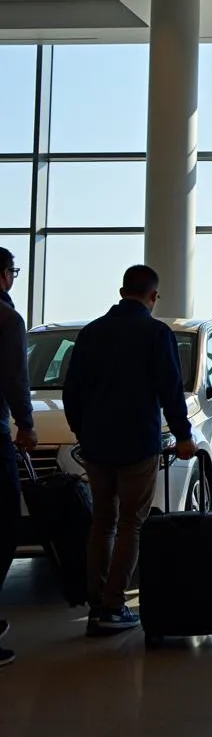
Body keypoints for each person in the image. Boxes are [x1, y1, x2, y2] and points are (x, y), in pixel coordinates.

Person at [63, 265, 197, 635]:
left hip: (95, 443)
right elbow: (170, 390)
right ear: (153, 296)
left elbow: (71, 391)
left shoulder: (90, 333)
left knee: (101, 520)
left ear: (122, 291)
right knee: (130, 524)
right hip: (138, 441)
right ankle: (114, 605)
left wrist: (81, 430)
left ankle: (96, 603)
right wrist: (183, 435)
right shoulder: (156, 332)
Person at [0, 248, 37, 668]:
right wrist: (25, 424)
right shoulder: (8, 319)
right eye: (13, 271)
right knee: (5, 526)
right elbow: (14, 377)